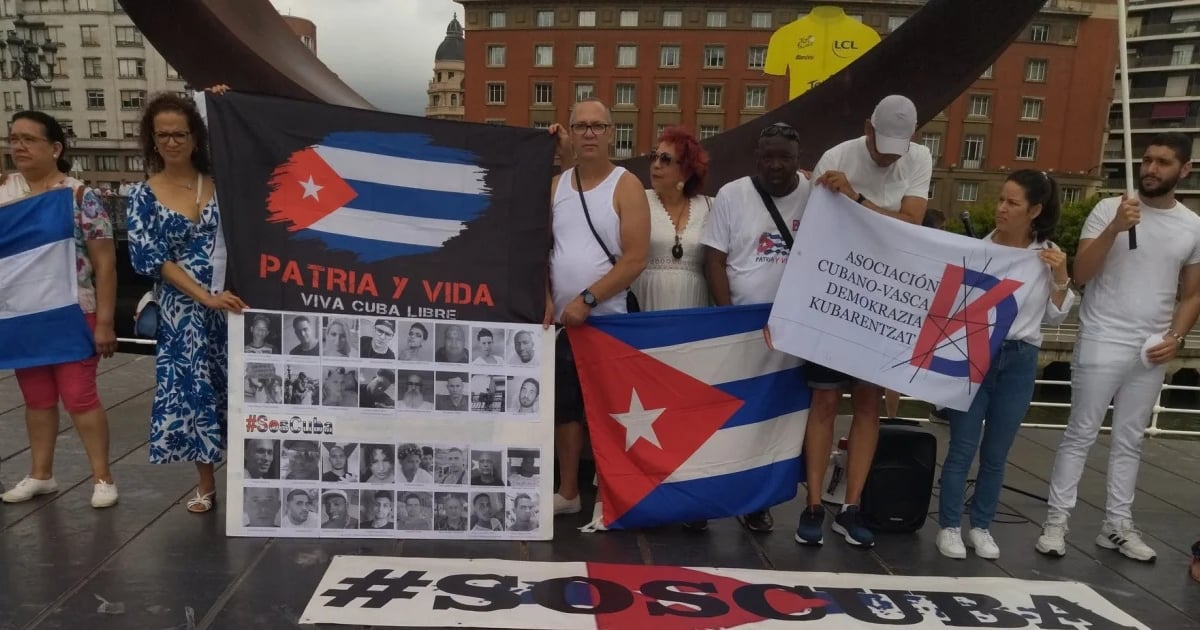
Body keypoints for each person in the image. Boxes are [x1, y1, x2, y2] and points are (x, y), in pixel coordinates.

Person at [1038, 132, 1200, 563]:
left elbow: (1192, 294)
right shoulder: (1110, 208)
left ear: (1184, 170)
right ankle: (1056, 522)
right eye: (1147, 159)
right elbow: (1083, 273)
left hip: (1151, 345)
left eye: (1163, 162)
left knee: (1130, 440)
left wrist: (1176, 338)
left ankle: (1117, 526)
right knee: (1080, 433)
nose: (1151, 168)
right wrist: (1115, 228)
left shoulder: (1192, 225)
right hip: (1102, 334)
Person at [795, 94, 933, 549]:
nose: (886, 156)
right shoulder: (837, 155)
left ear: (911, 139)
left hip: (883, 295)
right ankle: (814, 503)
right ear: (867, 127)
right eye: (880, 145)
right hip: (837, 291)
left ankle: (851, 505)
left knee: (870, 405)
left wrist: (855, 199)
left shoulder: (919, 158)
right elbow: (815, 227)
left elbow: (911, 223)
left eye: (897, 149)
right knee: (825, 404)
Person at [935, 170, 1074, 560]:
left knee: (997, 452)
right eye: (1001, 199)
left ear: (1035, 210)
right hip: (975, 351)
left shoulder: (1046, 255)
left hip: (1020, 359)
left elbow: (1057, 317)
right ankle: (948, 525)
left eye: (1012, 203)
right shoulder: (979, 249)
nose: (1001, 209)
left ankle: (980, 526)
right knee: (962, 447)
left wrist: (1060, 276)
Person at [0, 111, 119, 509]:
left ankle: (102, 477)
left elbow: (104, 263)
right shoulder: (3, 193)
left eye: (29, 139)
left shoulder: (81, 197)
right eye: (13, 138)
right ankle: (41, 474)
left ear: (55, 148)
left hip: (74, 310)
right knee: (36, 397)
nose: (18, 146)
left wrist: (104, 322)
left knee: (78, 395)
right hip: (23, 314)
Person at [701, 121, 811, 533]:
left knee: (772, 424)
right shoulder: (733, 194)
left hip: (791, 335)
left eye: (785, 157)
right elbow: (714, 258)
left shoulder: (817, 195)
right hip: (740, 328)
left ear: (799, 161)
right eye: (768, 156)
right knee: (722, 419)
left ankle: (757, 503)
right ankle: (707, 499)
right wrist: (728, 316)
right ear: (757, 157)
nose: (776, 165)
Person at [547, 98, 650, 516]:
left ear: (611, 133)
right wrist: (547, 301)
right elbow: (544, 249)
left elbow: (635, 257)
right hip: (562, 323)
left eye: (597, 126)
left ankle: (614, 493)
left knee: (612, 412)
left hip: (609, 320)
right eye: (581, 126)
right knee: (566, 408)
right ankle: (569, 491)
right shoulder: (555, 186)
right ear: (570, 133)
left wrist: (588, 299)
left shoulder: (626, 185)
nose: (589, 133)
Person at [631, 126, 712, 311]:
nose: (656, 164)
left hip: (692, 304)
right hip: (646, 302)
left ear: (687, 169)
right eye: (654, 157)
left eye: (665, 159)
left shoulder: (710, 207)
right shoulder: (637, 200)